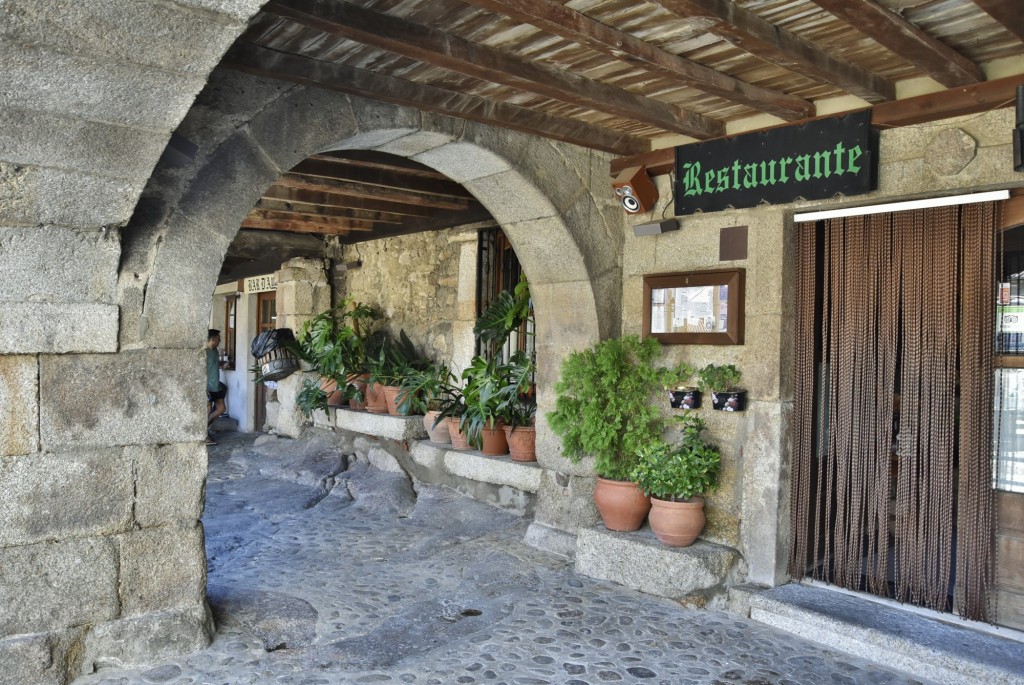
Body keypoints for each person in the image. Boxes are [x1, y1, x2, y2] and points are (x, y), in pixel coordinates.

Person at [206, 329, 228, 445]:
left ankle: (204, 431)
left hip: (216, 385)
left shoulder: (215, 351)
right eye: (219, 338)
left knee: (221, 409)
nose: (220, 340)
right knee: (208, 410)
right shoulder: (204, 352)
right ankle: (203, 435)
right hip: (207, 387)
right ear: (213, 339)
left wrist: (222, 364)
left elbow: (213, 364)